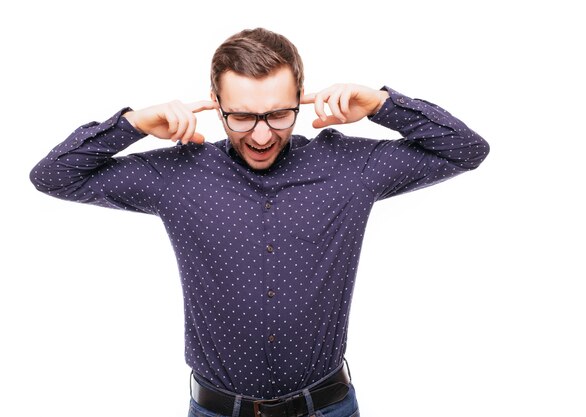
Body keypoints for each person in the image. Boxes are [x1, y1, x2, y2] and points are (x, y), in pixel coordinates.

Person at [30, 27, 489, 417]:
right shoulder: (179, 175)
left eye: (278, 114)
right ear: (215, 103)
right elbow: (52, 176)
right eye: (243, 116)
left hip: (327, 406)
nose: (263, 134)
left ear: (301, 100)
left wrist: (380, 104)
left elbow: (468, 150)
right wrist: (133, 123)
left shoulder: (349, 167)